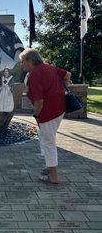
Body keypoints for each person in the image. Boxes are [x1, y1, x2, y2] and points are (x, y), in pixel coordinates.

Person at [19, 48, 71, 184]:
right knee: (45, 137)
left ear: (30, 60)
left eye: (22, 61)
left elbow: (39, 101)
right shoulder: (49, 67)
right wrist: (62, 86)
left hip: (48, 112)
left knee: (48, 143)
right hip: (60, 109)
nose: (21, 64)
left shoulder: (34, 74)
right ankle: (49, 166)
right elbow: (67, 74)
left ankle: (53, 176)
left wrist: (36, 115)